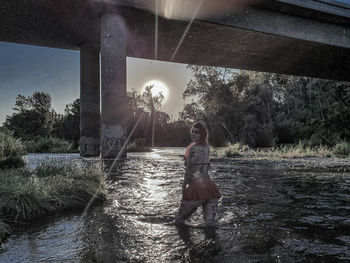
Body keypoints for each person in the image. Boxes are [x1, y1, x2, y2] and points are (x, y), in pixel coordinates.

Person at [175, 120, 221, 226]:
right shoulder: (207, 147)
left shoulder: (193, 149)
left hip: (197, 188)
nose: (193, 134)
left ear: (202, 134)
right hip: (210, 189)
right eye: (192, 131)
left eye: (196, 132)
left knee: (178, 220)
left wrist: (184, 188)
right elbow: (204, 167)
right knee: (210, 224)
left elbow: (189, 171)